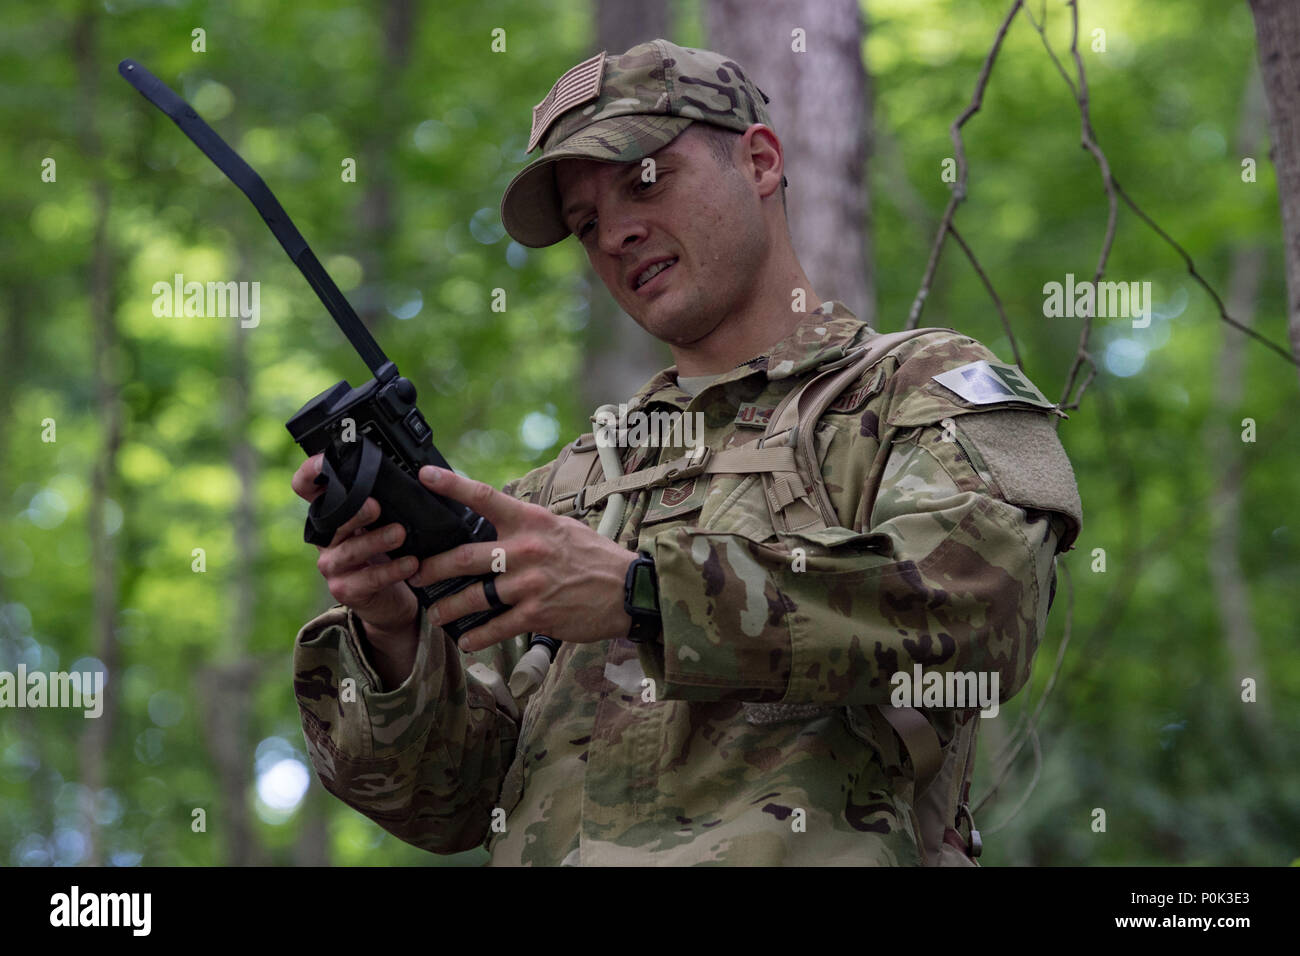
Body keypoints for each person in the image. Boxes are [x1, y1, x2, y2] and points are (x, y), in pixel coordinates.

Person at [290, 38, 1082, 866]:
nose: (617, 234)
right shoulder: (566, 493)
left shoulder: (914, 388)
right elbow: (448, 805)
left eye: (644, 179)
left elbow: (980, 610)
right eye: (585, 223)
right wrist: (392, 636)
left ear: (761, 162)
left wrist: (646, 595)